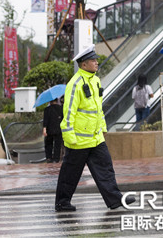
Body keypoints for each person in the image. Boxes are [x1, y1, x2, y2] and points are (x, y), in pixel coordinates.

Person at [55, 45, 135, 212]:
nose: (96, 62)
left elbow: (97, 109)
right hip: (79, 139)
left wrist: (103, 127)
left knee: (105, 169)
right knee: (70, 173)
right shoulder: (75, 84)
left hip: (96, 137)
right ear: (83, 64)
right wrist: (70, 137)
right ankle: (62, 202)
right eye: (93, 60)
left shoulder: (95, 80)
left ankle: (115, 199)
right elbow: (68, 112)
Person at [43, 98, 63, 163]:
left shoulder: (47, 109)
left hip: (49, 129)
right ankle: (56, 158)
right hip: (58, 129)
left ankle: (49, 157)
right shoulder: (61, 109)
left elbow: (45, 120)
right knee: (57, 144)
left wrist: (44, 129)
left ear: (50, 101)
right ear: (57, 101)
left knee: (48, 144)